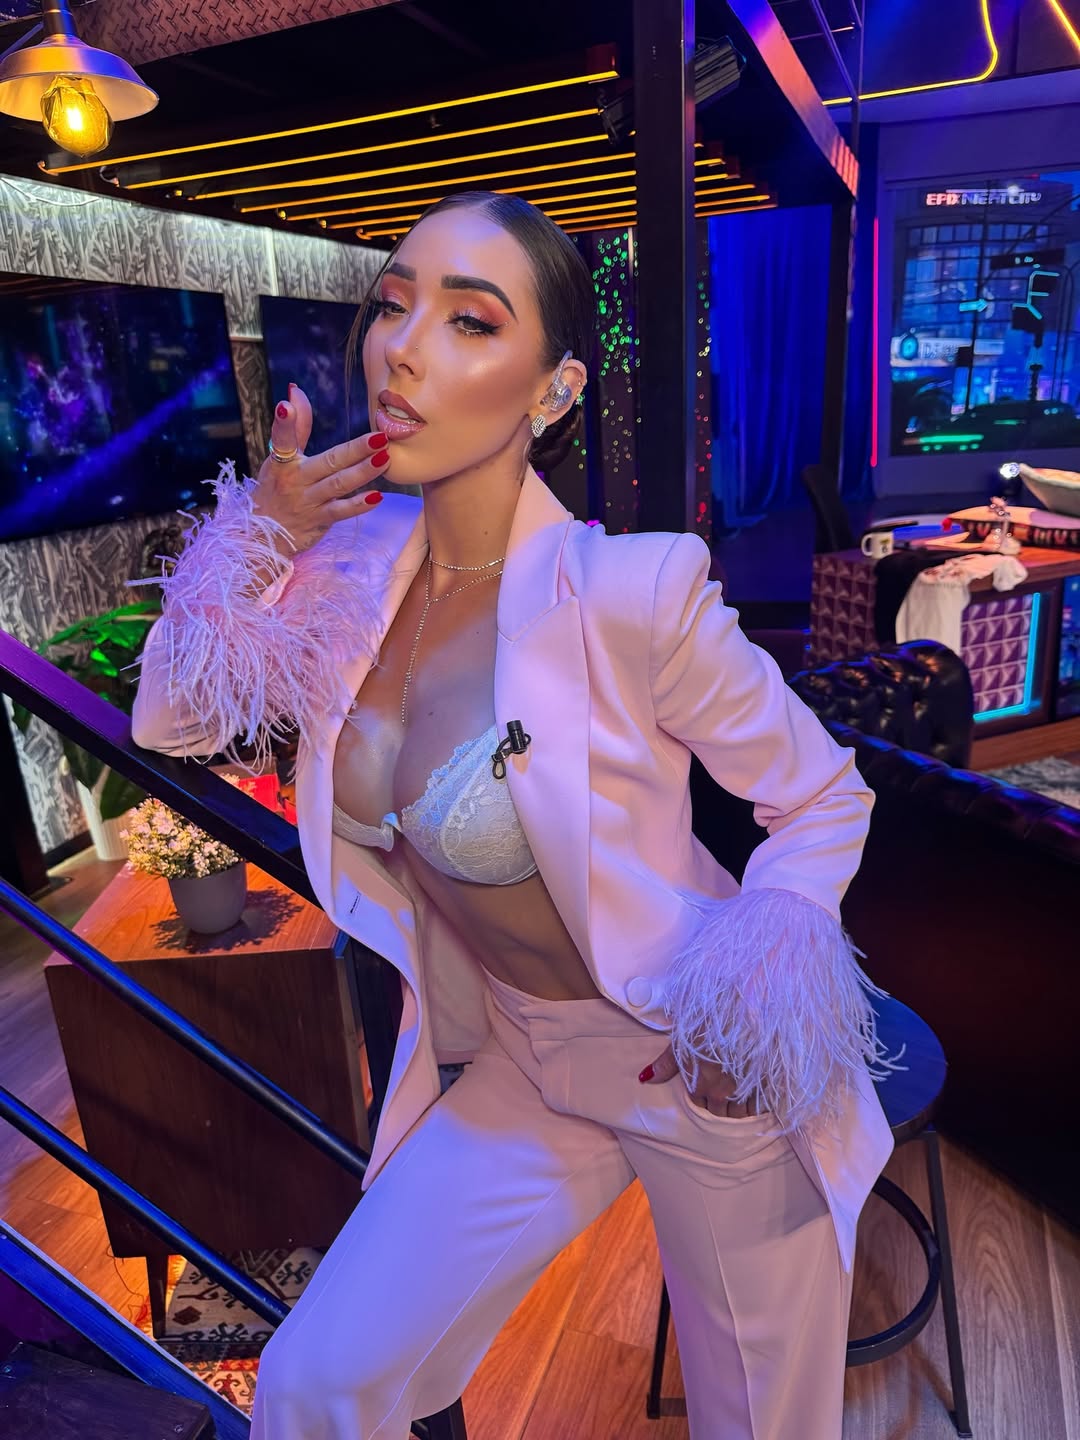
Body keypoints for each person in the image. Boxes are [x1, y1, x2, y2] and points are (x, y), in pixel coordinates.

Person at [132, 191, 895, 1440]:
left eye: (470, 321)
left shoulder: (633, 589)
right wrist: (259, 536)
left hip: (695, 1068)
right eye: (394, 305)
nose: (402, 348)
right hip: (522, 1061)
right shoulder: (346, 576)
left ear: (553, 390)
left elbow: (821, 794)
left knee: (763, 1425)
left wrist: (746, 1006)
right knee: (317, 1382)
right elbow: (169, 718)